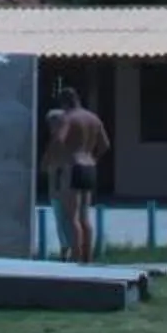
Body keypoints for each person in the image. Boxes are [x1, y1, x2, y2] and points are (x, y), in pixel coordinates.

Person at [40, 84, 110, 265]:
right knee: (85, 218)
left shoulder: (68, 118)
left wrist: (49, 160)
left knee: (72, 218)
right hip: (89, 167)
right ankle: (88, 258)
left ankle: (76, 259)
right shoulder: (93, 118)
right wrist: (92, 157)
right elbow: (105, 145)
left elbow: (58, 140)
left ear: (64, 104)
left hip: (73, 166)